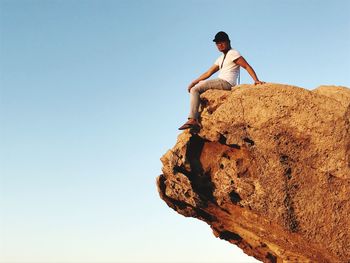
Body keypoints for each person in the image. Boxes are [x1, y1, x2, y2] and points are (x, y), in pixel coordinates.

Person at [178, 31, 265, 130]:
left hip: (225, 83)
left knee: (195, 90)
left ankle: (193, 119)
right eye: (217, 43)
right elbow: (208, 73)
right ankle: (197, 119)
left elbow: (246, 66)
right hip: (221, 82)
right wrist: (194, 82)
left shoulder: (233, 53)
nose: (220, 45)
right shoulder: (221, 58)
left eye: (222, 42)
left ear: (228, 42)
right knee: (197, 88)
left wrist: (256, 80)